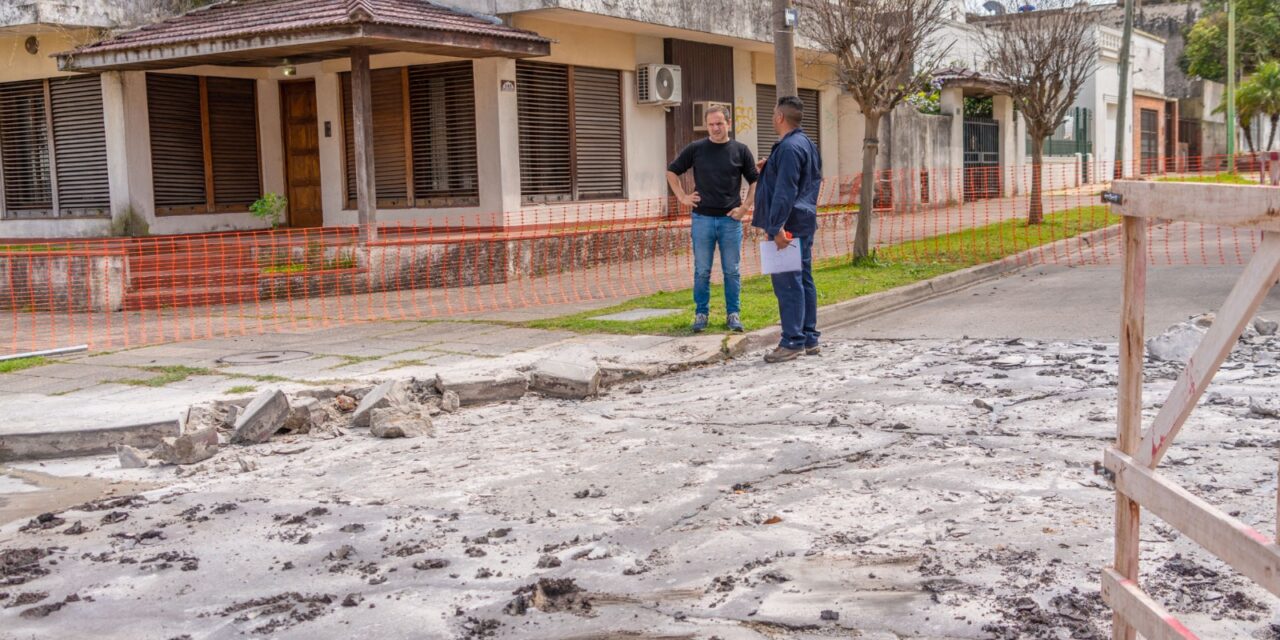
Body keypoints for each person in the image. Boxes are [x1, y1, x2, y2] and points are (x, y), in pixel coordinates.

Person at [666, 104, 758, 333]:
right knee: (702, 270)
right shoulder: (696, 148)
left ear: (729, 123)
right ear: (706, 125)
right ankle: (701, 314)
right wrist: (683, 197)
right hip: (702, 220)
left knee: (732, 270)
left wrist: (745, 207)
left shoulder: (741, 150)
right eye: (711, 124)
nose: (715, 128)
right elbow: (671, 171)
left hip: (730, 221)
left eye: (719, 123)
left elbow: (756, 180)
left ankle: (733, 314)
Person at [752, 95, 822, 363]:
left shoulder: (790, 148)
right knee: (803, 279)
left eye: (773, 113)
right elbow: (800, 179)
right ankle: (809, 337)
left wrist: (777, 226)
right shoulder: (805, 144)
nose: (772, 117)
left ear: (780, 117)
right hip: (802, 220)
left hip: (788, 225)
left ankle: (792, 341)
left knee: (788, 282)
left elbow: (786, 190)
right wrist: (769, 167)